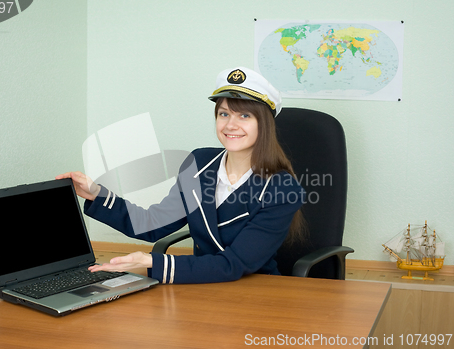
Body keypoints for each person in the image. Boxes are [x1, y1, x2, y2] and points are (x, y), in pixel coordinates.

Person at [56, 67, 305, 284]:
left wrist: (151, 262)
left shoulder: (283, 188)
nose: (230, 125)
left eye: (245, 116)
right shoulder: (198, 163)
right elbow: (151, 223)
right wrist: (97, 194)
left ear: (265, 124)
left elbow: (233, 265)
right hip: (200, 284)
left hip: (258, 290)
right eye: (224, 113)